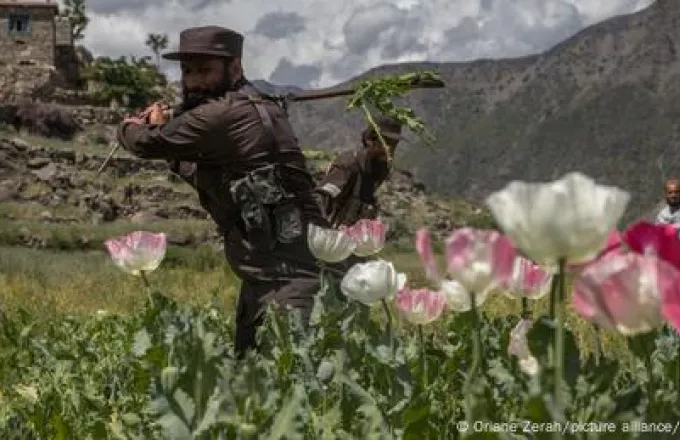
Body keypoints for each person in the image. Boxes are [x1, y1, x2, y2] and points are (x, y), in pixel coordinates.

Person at [116, 25, 334, 357]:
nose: (194, 81)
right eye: (188, 71)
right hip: (266, 277)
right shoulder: (260, 108)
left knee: (294, 391)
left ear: (235, 68)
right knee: (252, 391)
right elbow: (214, 177)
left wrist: (131, 125)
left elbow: (147, 143)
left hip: (291, 282)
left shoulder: (221, 115)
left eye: (205, 70)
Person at [315, 115, 404, 228]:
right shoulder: (349, 164)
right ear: (370, 140)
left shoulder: (381, 169)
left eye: (394, 144)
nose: (390, 149)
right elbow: (320, 201)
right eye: (386, 142)